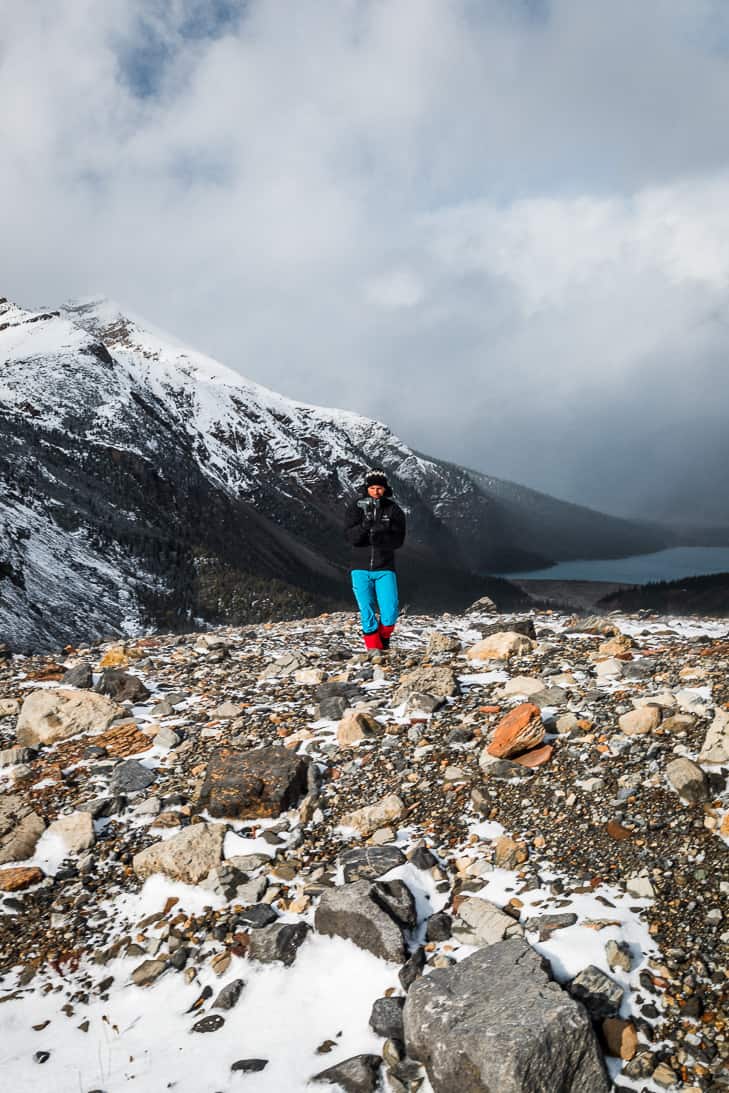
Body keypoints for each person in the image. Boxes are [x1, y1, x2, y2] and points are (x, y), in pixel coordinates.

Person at [344, 468, 406, 650]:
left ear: (385, 488)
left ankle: (384, 638)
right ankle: (374, 651)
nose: (376, 492)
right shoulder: (356, 508)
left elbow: (398, 540)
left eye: (379, 488)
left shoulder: (394, 510)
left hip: (384, 568)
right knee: (367, 612)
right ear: (366, 488)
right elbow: (350, 538)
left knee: (390, 613)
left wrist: (380, 534)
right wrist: (365, 526)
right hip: (359, 568)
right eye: (372, 488)